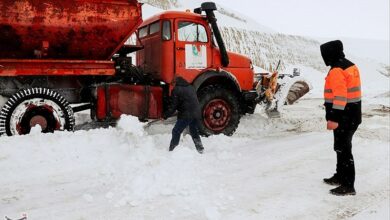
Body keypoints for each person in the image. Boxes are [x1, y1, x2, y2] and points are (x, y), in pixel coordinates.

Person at [320, 40, 362, 196]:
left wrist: (334, 119)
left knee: (344, 150)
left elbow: (340, 97)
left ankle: (348, 186)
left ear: (330, 53)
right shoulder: (350, 65)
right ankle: (340, 176)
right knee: (341, 147)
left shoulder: (337, 70)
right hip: (352, 114)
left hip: (343, 117)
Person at [163, 76, 204, 154]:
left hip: (186, 114)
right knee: (194, 131)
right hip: (196, 113)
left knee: (176, 131)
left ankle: (173, 149)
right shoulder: (191, 87)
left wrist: (165, 116)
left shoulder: (176, 89)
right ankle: (200, 148)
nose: (172, 86)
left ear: (175, 82)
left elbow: (173, 106)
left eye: (172, 84)